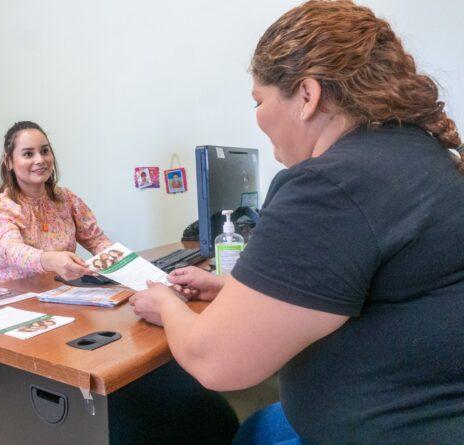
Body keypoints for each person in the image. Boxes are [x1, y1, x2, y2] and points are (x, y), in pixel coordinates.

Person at [129, 1, 464, 443]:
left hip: (394, 428)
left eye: (259, 101)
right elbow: (365, 278)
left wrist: (166, 305)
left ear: (307, 95)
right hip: (426, 412)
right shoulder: (418, 157)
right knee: (255, 428)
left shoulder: (332, 186)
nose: (258, 117)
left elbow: (215, 361)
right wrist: (236, 289)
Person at [0, 121, 112, 284]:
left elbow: (97, 240)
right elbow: (12, 250)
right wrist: (49, 260)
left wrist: (114, 258)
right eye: (28, 154)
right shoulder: (2, 206)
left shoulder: (67, 199)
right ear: (9, 162)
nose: (40, 160)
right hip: (11, 298)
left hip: (58, 292)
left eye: (44, 151)